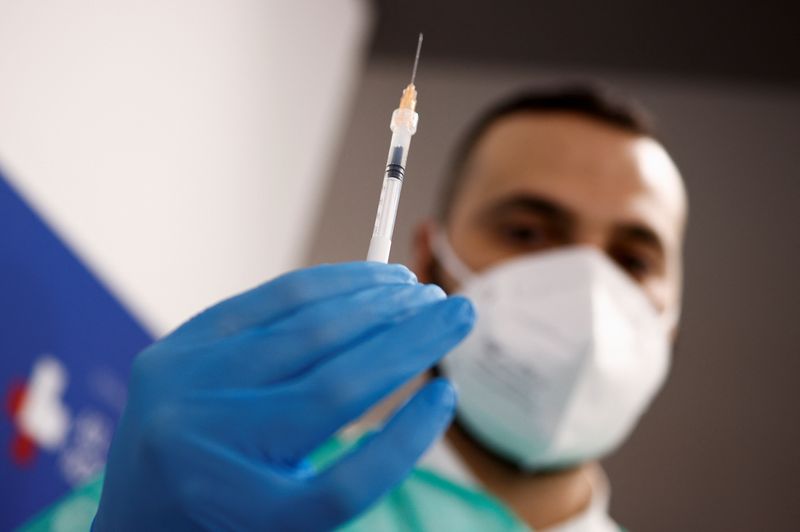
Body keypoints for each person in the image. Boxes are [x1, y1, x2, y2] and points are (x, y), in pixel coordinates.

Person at [24, 84, 687, 531]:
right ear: (428, 262)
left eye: (633, 260)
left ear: (670, 314)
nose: (587, 288)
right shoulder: (215, 489)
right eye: (526, 233)